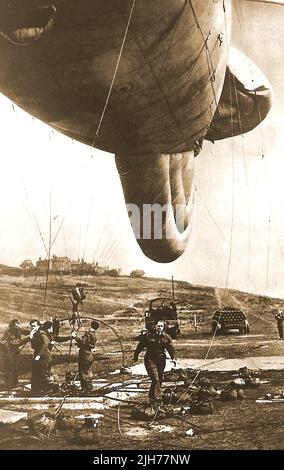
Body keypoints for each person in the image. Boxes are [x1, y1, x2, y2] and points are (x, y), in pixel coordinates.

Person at [133, 320, 177, 405]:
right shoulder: (148, 336)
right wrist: (136, 356)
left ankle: (152, 397)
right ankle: (158, 400)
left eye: (161, 326)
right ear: (155, 326)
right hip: (150, 359)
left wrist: (174, 358)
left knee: (159, 379)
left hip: (161, 359)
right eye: (158, 326)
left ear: (163, 327)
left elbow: (171, 348)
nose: (159, 328)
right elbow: (140, 346)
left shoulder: (166, 337)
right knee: (155, 378)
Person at [30, 320, 74, 396]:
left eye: (34, 326)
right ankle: (40, 390)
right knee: (39, 374)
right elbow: (35, 346)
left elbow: (46, 343)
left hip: (43, 357)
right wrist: (31, 336)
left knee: (42, 375)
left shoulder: (42, 333)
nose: (33, 328)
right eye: (32, 326)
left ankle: (55, 387)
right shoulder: (40, 333)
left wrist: (38, 355)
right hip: (43, 356)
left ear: (39, 325)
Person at [1, 319, 30, 391]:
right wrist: (27, 339)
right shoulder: (8, 332)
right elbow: (15, 342)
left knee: (15, 367)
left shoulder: (17, 329)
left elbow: (25, 331)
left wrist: (33, 331)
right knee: (10, 368)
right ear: (12, 324)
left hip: (15, 352)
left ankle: (14, 383)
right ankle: (9, 386)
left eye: (18, 324)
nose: (18, 325)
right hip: (8, 352)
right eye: (16, 324)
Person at [73, 320, 99, 393]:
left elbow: (83, 342)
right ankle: (89, 387)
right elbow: (87, 344)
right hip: (89, 354)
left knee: (83, 372)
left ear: (91, 326)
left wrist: (75, 337)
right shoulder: (94, 334)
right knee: (86, 371)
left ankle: (86, 389)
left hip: (84, 355)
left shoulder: (89, 334)